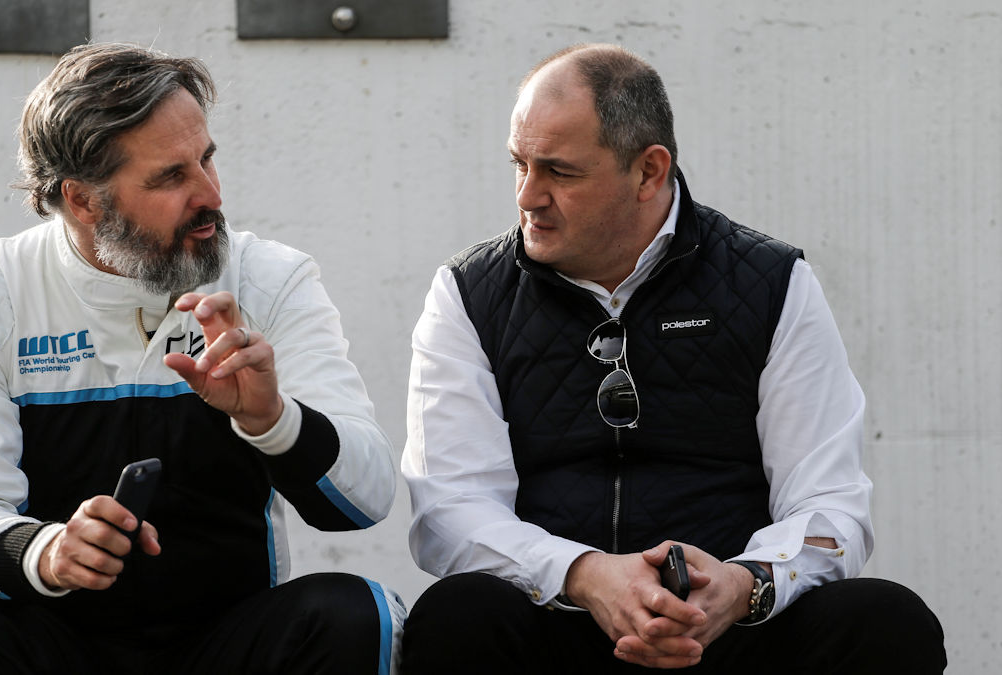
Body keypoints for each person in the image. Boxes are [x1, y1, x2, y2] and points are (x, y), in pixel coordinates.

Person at [399, 43, 945, 673]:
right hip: (558, 618)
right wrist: (586, 575)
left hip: (725, 628)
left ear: (649, 172)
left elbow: (830, 503)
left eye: (560, 172)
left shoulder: (772, 281)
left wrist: (745, 586)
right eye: (519, 165)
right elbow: (450, 510)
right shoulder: (468, 293)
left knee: (884, 620)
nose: (528, 196)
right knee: (458, 614)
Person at [0, 42, 404, 675]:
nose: (210, 194)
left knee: (359, 614)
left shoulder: (271, 278)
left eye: (208, 159)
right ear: (82, 200)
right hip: (58, 644)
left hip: (228, 642)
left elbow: (368, 498)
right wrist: (44, 551)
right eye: (170, 177)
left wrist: (274, 420)